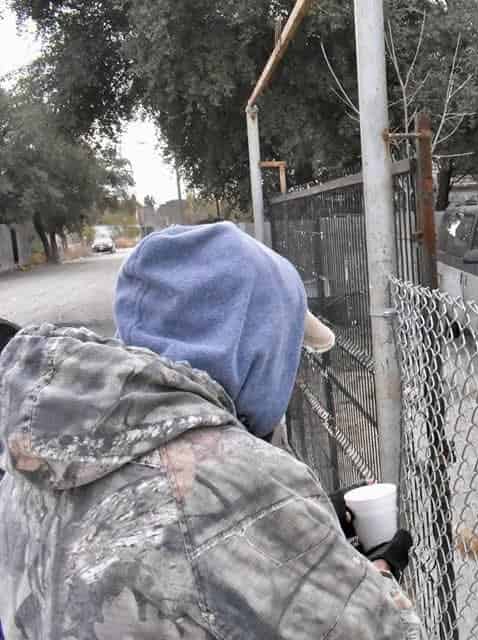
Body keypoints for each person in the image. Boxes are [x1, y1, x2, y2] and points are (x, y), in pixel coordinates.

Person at [0, 223, 414, 639]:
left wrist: (304, 519)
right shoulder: (243, 482)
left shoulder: (35, 454)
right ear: (252, 351)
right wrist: (376, 575)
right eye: (286, 352)